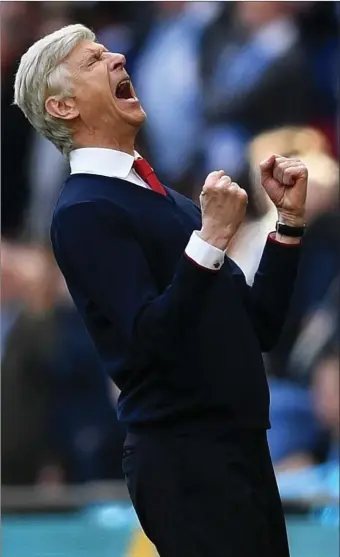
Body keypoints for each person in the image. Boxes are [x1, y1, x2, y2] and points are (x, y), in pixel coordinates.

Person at [14, 24, 308, 557]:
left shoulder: (164, 198)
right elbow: (148, 345)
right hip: (186, 462)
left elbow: (256, 326)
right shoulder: (83, 211)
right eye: (94, 59)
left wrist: (286, 225)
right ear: (63, 107)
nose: (118, 56)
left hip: (239, 451)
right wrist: (211, 238)